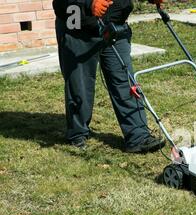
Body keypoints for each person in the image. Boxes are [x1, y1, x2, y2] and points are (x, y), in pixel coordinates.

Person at [52, 0, 165, 152]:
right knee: (80, 86)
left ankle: (138, 136)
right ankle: (78, 133)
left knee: (125, 82)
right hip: (78, 27)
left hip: (115, 26)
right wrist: (89, 4)